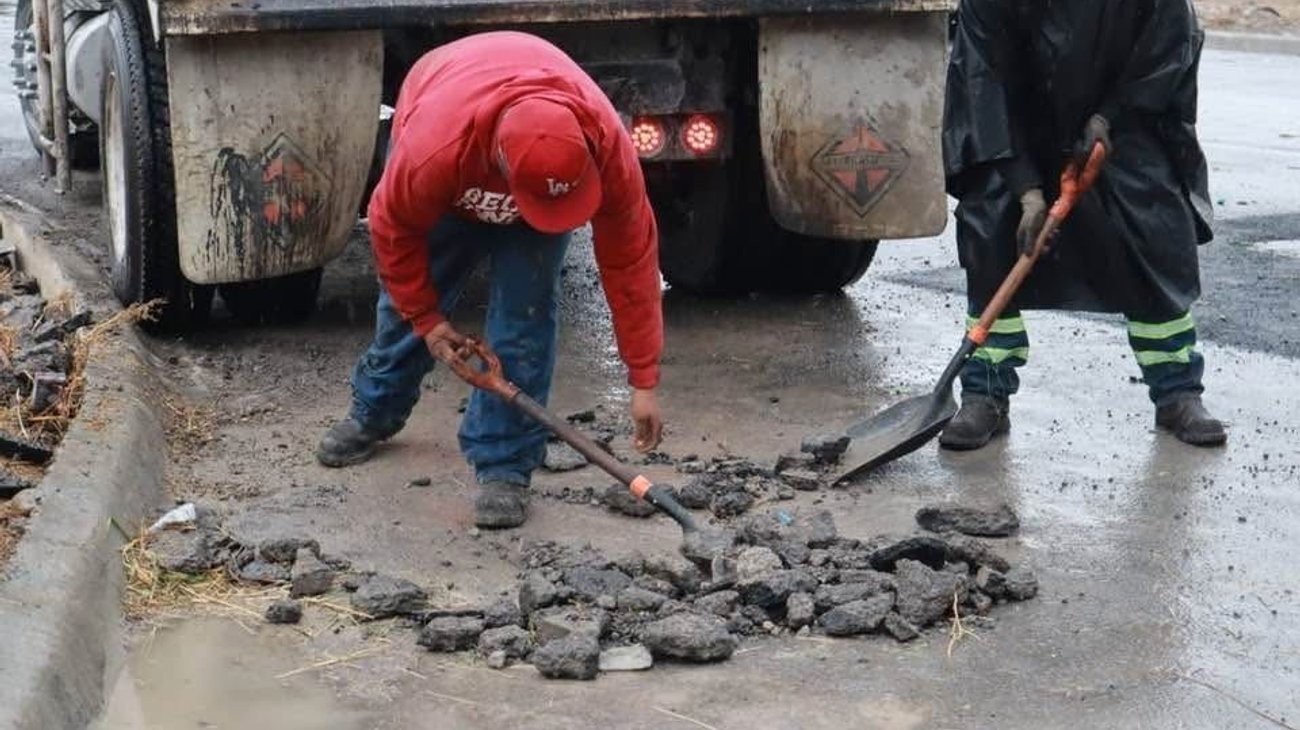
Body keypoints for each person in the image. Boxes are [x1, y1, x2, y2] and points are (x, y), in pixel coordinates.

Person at [316, 31, 665, 528]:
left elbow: (630, 261)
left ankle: (505, 466)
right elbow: (393, 232)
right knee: (408, 304)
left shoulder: (608, 148)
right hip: (454, 156)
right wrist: (427, 318)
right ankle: (375, 411)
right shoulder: (433, 150)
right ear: (502, 164)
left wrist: (644, 378)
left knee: (526, 318)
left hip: (505, 157)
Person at [939, 0, 1227, 450]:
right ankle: (985, 391)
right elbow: (981, 85)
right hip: (1017, 133)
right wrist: (1026, 191)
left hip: (1124, 121)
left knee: (1152, 227)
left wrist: (1108, 116)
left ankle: (1177, 391)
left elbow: (1166, 46)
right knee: (990, 220)